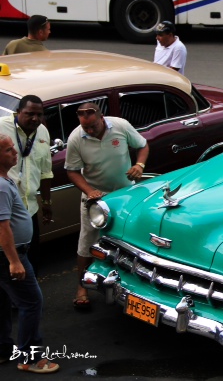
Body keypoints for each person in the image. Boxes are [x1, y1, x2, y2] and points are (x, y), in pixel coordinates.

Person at [64, 103, 148, 309]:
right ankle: (81, 286)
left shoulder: (120, 126)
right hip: (96, 197)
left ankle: (133, 284)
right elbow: (72, 171)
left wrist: (139, 165)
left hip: (125, 194)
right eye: (86, 128)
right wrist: (89, 191)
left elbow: (143, 146)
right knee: (87, 241)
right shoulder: (76, 138)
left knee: (128, 239)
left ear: (102, 118)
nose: (90, 131)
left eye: (93, 126)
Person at [0, 134, 59, 373]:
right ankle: (30, 358)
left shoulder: (6, 180)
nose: (15, 152)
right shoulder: (1, 186)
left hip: (6, 255)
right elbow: (2, 227)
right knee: (32, 303)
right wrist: (14, 261)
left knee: (2, 302)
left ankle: (3, 349)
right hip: (10, 255)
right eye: (8, 150)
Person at [0, 96, 53, 278]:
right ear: (18, 112)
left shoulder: (42, 132)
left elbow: (45, 171)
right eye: (29, 114)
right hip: (5, 207)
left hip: (29, 208)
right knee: (6, 263)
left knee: (31, 260)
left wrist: (46, 202)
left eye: (39, 114)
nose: (35, 119)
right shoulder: (2, 128)